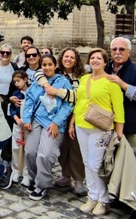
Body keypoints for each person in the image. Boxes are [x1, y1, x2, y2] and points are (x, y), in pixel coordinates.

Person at [104, 37, 136, 219]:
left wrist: (123, 85)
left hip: (133, 127)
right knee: (115, 164)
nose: (117, 52)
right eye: (114, 49)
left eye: (121, 49)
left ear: (129, 52)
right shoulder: (106, 68)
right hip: (110, 127)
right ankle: (120, 197)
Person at [72, 48, 124, 216]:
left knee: (96, 165)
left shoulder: (111, 81)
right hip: (81, 124)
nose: (95, 60)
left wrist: (119, 132)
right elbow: (79, 102)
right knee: (87, 163)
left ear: (105, 62)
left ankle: (104, 199)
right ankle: (92, 196)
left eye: (99, 58)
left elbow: (119, 109)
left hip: (101, 129)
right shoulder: (84, 79)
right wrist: (72, 123)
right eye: (92, 58)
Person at [21, 54, 73, 200]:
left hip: (54, 123)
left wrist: (57, 122)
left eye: (50, 64)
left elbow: (68, 105)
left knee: (45, 154)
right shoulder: (37, 82)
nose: (47, 67)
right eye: (44, 65)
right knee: (30, 152)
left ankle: (42, 185)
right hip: (36, 120)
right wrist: (26, 119)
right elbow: (29, 100)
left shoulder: (63, 82)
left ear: (55, 66)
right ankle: (35, 177)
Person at [53, 47, 87, 196]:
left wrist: (72, 122)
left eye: (72, 57)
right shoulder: (56, 74)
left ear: (76, 60)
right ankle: (65, 175)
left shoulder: (82, 77)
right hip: (59, 116)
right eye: (66, 56)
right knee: (62, 148)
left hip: (76, 116)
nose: (68, 59)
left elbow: (81, 99)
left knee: (76, 149)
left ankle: (78, 179)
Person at [0, 44, 18, 166]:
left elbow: (17, 83)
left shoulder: (14, 67)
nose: (5, 55)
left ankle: (6, 156)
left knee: (7, 127)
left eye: (8, 53)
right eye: (3, 52)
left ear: (11, 54)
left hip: (8, 100)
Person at [6, 70, 30, 188]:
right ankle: (16, 170)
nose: (16, 83)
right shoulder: (16, 94)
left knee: (27, 150)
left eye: (18, 81)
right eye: (14, 81)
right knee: (16, 148)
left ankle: (26, 174)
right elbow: (12, 108)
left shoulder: (31, 92)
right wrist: (16, 118)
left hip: (28, 126)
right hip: (18, 125)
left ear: (25, 80)